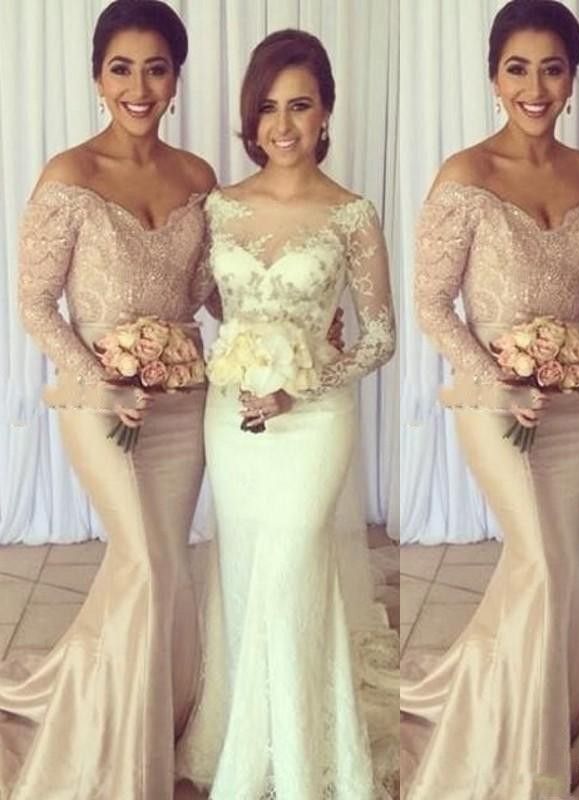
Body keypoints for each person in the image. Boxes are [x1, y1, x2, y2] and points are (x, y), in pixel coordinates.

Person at [175, 29, 399, 800]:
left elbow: (382, 336)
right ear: (251, 115)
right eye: (268, 107)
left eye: (300, 106)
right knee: (246, 569)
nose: (283, 124)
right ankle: (247, 733)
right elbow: (205, 298)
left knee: (294, 561)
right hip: (234, 418)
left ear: (326, 112)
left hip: (314, 418)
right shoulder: (221, 207)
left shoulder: (352, 215)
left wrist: (300, 381)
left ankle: (305, 756)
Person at [1, 1, 217, 798]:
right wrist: (101, 379)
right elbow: (36, 305)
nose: (139, 86)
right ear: (98, 77)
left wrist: (284, 315)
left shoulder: (198, 177)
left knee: (162, 564)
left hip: (183, 403)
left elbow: (210, 292)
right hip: (97, 402)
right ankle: (122, 758)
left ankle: (151, 716)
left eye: (156, 68)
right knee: (149, 562)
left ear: (175, 79)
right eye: (122, 68)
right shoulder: (69, 176)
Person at [401, 2, 579, 797]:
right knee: (544, 559)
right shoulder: (466, 177)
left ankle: (555, 709)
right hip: (494, 403)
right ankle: (528, 758)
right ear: (494, 78)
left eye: (552, 69)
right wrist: (497, 379)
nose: (536, 87)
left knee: (558, 563)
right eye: (518, 68)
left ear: (572, 79)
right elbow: (432, 305)